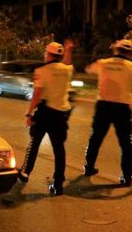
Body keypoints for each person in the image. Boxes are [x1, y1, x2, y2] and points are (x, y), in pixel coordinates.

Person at [17, 40, 74, 195]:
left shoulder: (41, 71)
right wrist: (68, 50)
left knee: (34, 143)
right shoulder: (67, 69)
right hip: (60, 115)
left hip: (44, 113)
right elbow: (67, 63)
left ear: (48, 54)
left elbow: (37, 94)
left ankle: (25, 172)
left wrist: (29, 113)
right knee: (59, 150)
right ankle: (58, 184)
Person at [83, 39, 132, 186]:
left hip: (103, 106)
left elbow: (88, 69)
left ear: (116, 50)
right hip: (122, 107)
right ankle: (126, 176)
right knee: (125, 143)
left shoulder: (103, 63)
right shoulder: (130, 67)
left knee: (96, 139)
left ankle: (88, 167)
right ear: (129, 52)